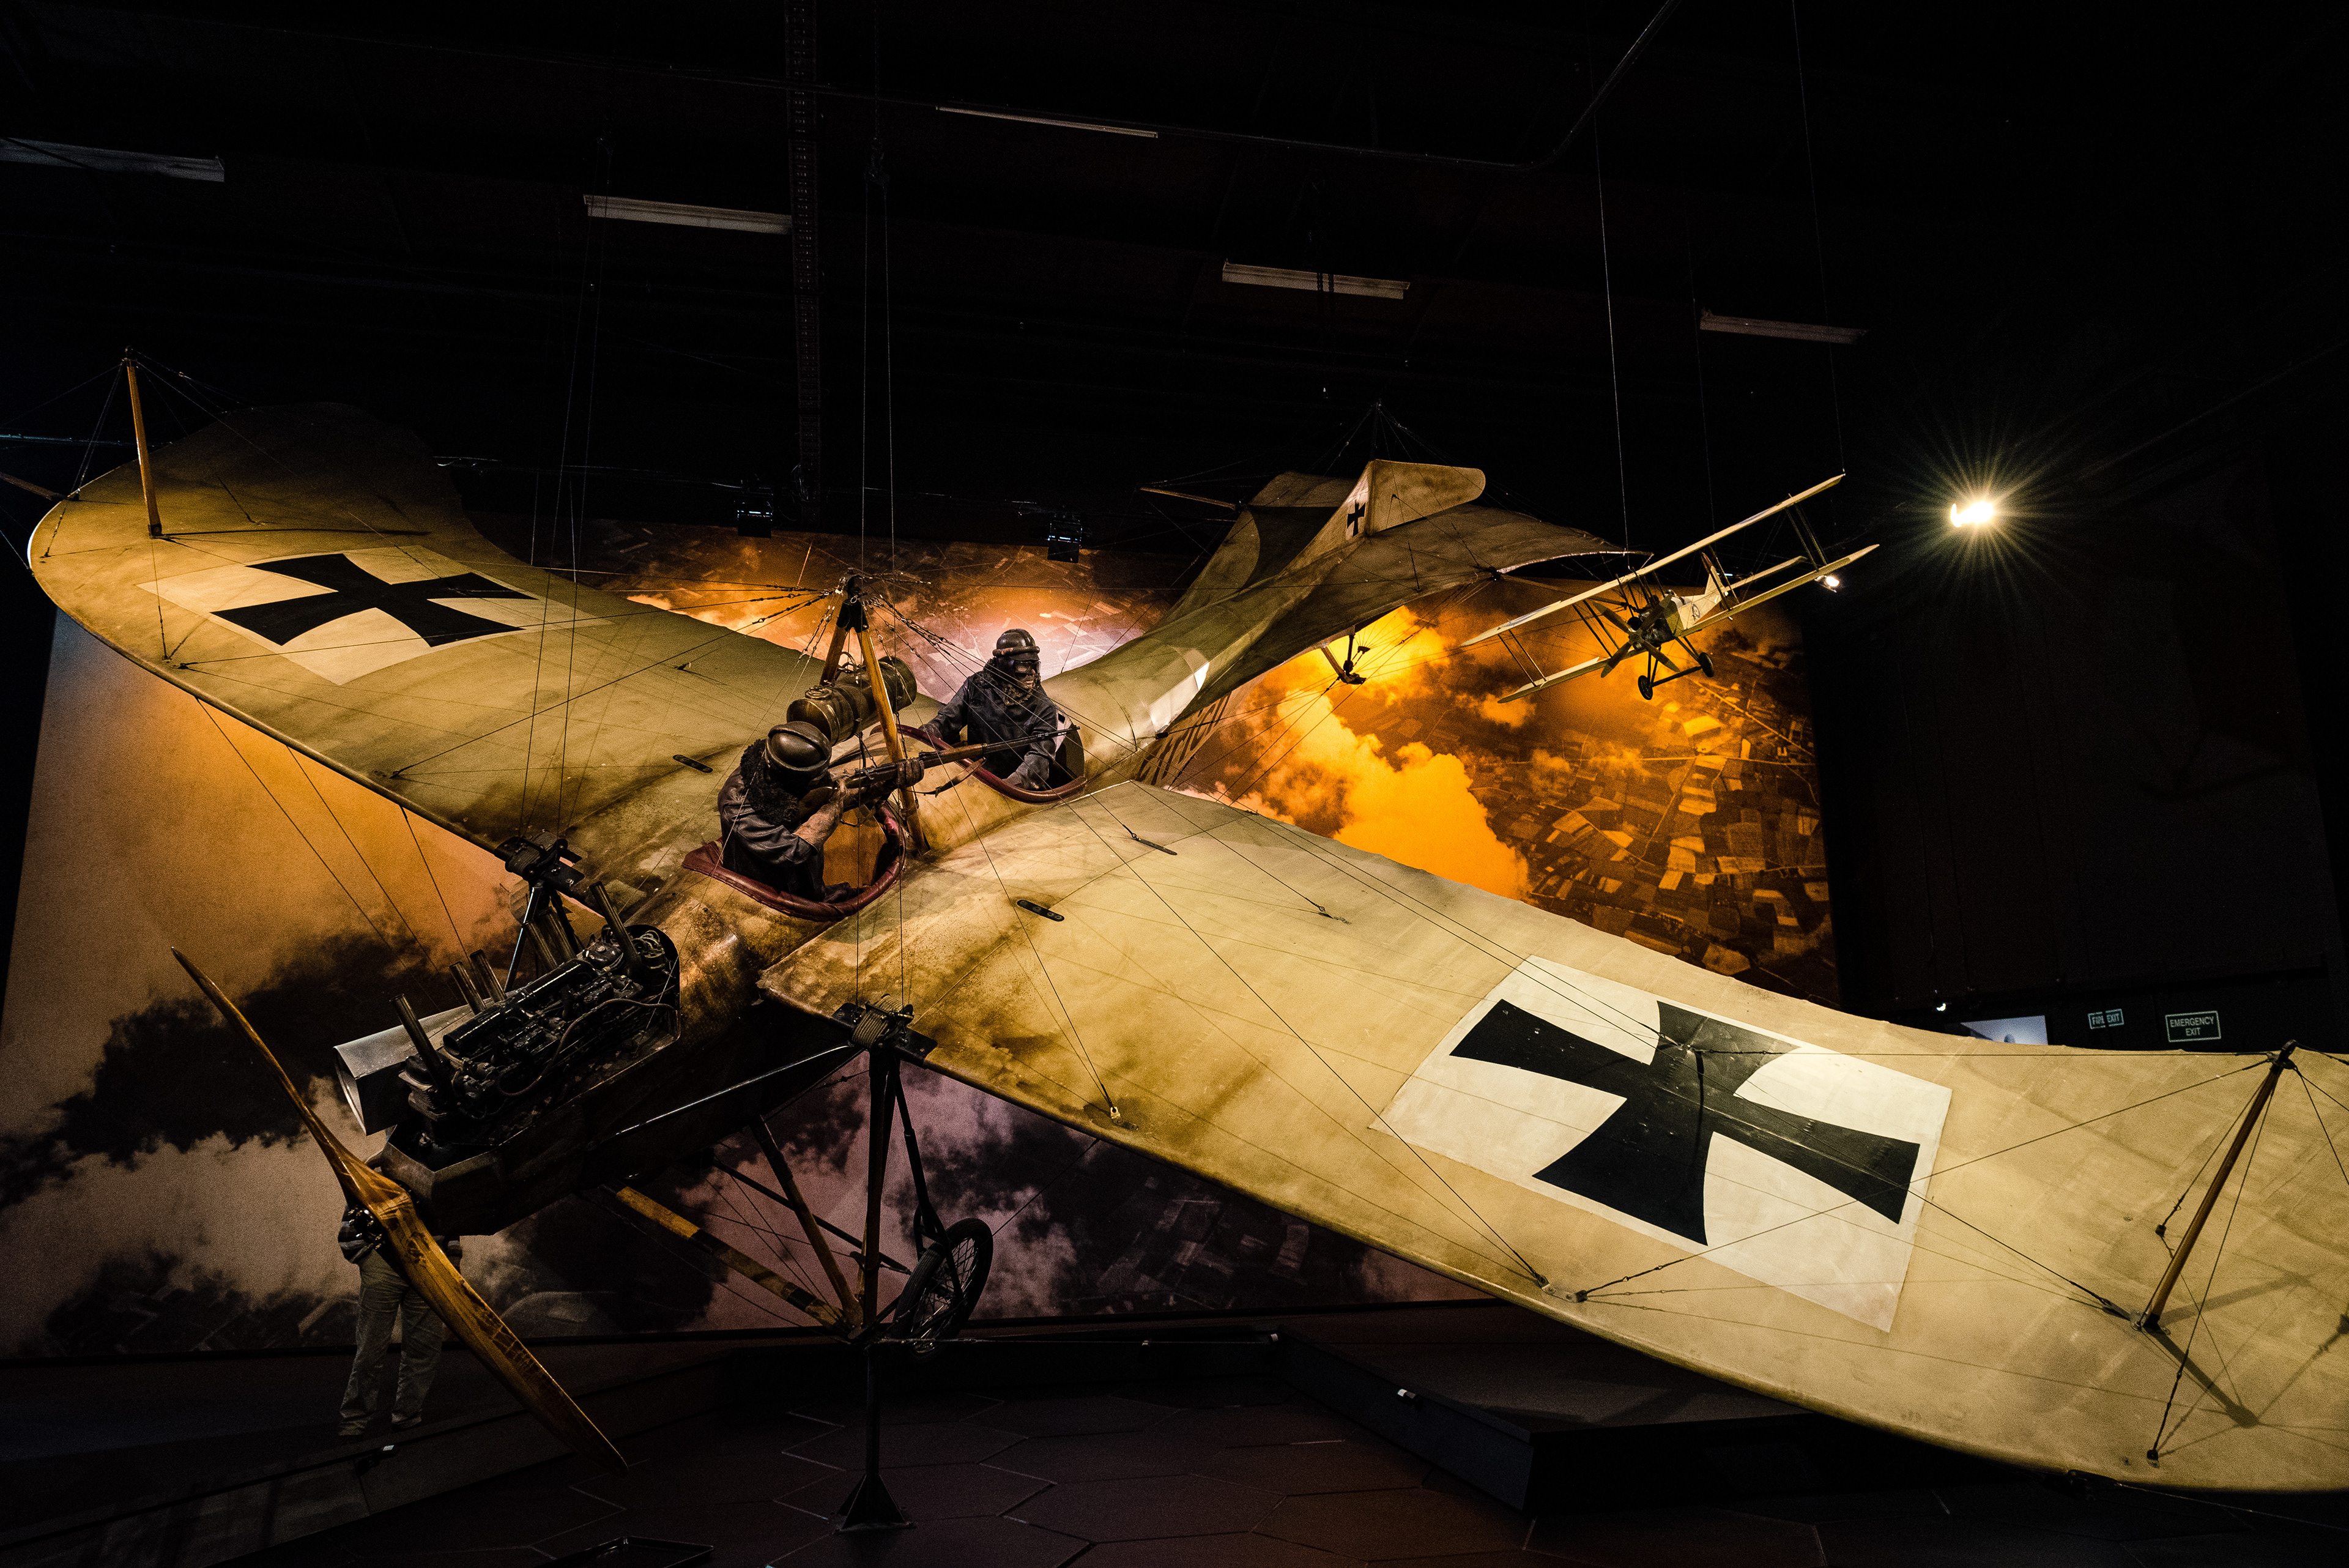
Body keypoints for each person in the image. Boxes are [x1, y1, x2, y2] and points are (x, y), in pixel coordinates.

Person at [719, 719, 908, 897]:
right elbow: (792, 852)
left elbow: (825, 796)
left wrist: (885, 784)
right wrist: (828, 815)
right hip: (762, 891)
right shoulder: (738, 804)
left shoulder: (781, 775)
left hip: (805, 882)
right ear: (790, 777)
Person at [337, 1203, 458, 1437]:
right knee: (371, 1349)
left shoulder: (437, 1178)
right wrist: (367, 1256)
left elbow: (451, 1215)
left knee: (424, 1348)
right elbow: (353, 1213)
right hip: (386, 1259)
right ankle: (354, 1423)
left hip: (429, 1261)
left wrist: (452, 1262)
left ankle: (406, 1419)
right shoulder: (379, 1176)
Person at [933, 628, 1061, 788]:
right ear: (1004, 665)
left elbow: (1038, 762)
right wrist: (927, 733)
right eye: (1024, 667)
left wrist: (1005, 787)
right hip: (971, 775)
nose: (1033, 673)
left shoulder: (1045, 709)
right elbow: (947, 720)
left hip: (1008, 790)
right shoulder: (976, 685)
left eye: (1035, 666)